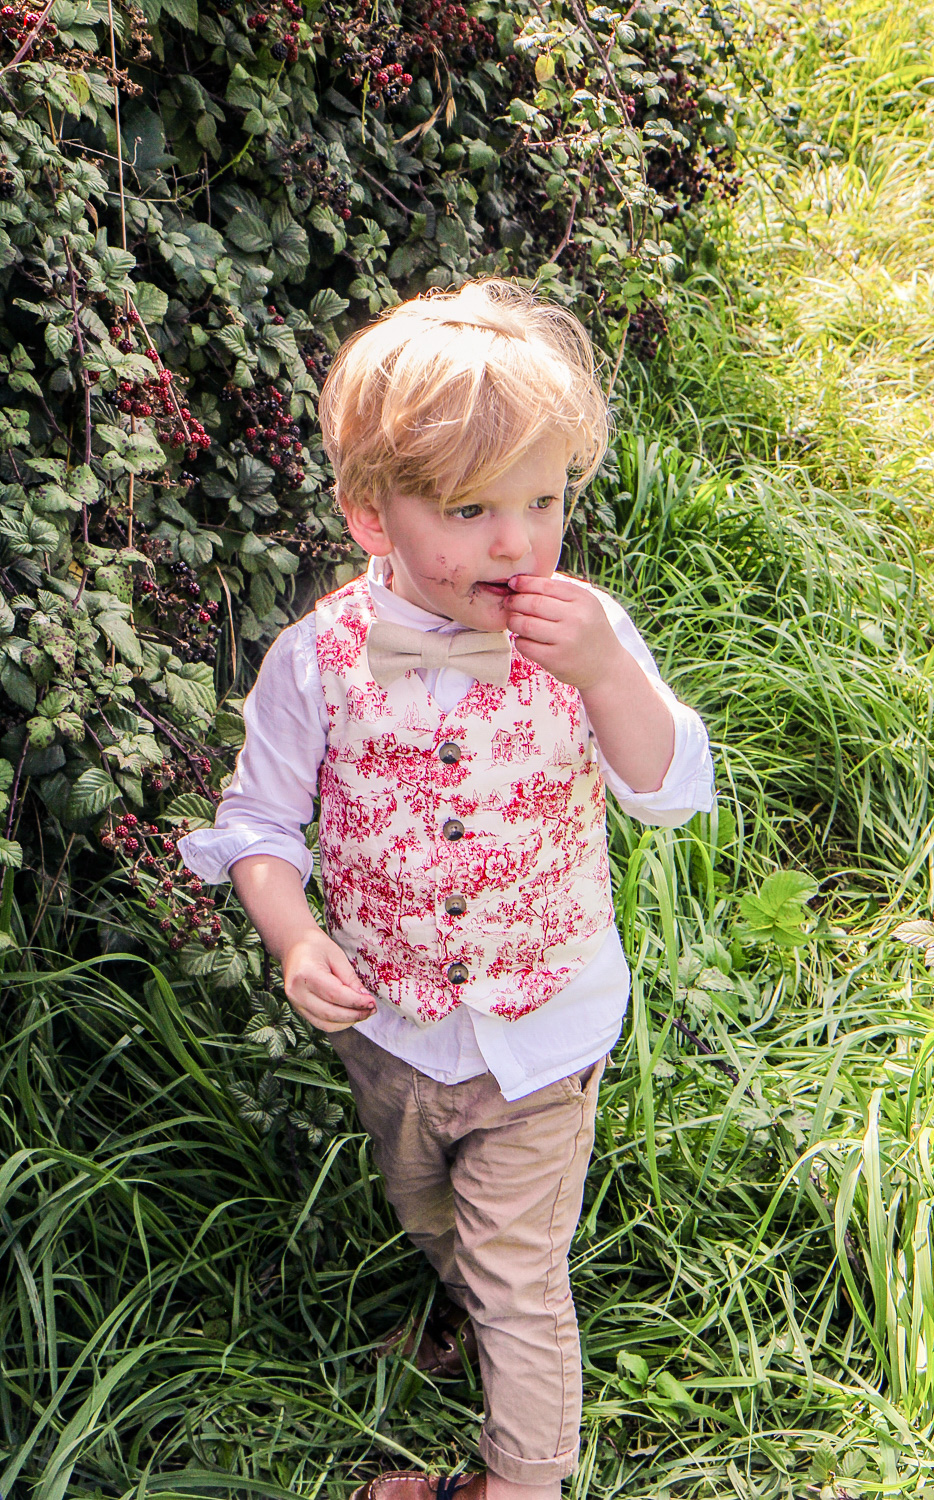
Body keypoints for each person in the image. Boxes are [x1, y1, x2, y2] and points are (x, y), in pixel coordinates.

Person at [178, 278, 714, 1500]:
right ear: (371, 514)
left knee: (523, 1274)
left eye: (542, 500)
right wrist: (291, 931)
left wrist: (606, 675)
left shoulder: (581, 635)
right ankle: (465, 1301)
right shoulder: (316, 660)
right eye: (470, 510)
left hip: (543, 1031)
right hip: (395, 1036)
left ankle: (518, 1480)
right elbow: (259, 820)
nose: (517, 543)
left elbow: (669, 789)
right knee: (428, 1212)